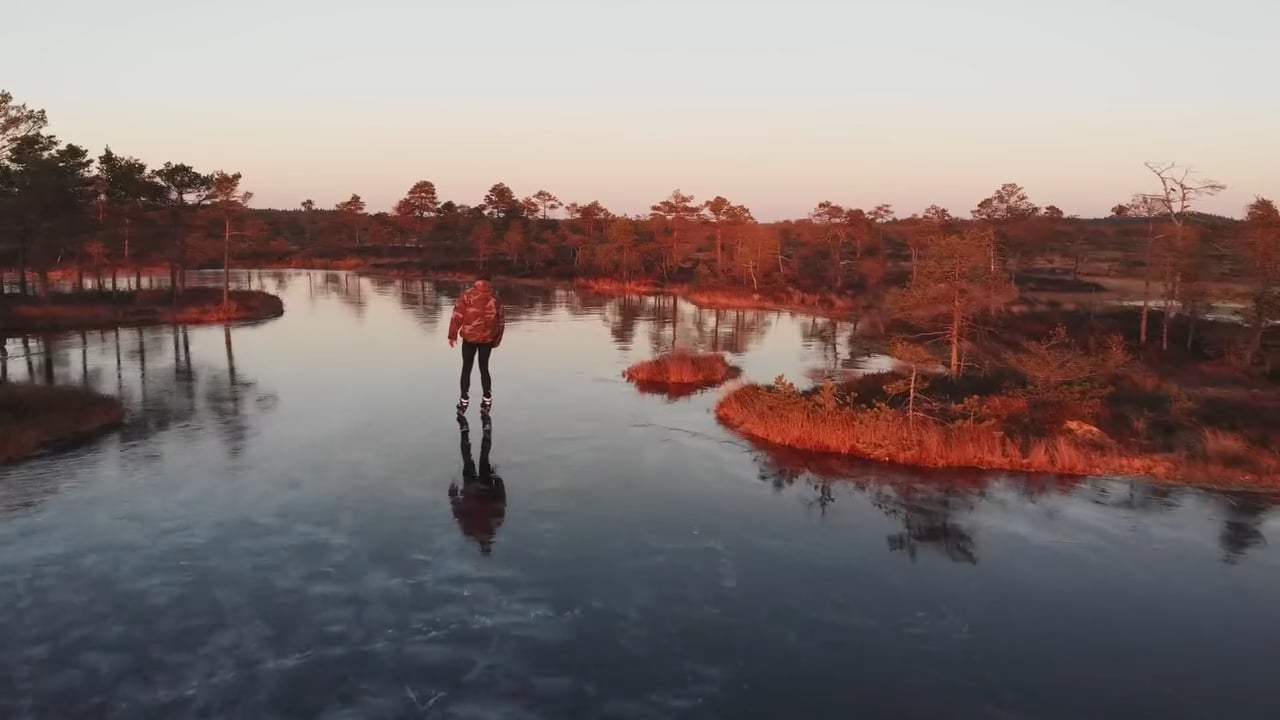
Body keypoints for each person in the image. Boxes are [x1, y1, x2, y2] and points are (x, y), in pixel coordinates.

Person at [450, 414, 506, 555]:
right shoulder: (475, 529)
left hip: (477, 488)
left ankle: (481, 425)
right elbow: (501, 500)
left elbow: (501, 500)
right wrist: (453, 496)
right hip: (477, 488)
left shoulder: (490, 524)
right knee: (470, 458)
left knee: (480, 456)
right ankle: (467, 426)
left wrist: (497, 480)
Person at [447, 275, 504, 413]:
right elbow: (501, 322)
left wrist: (452, 335)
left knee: (466, 368)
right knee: (484, 368)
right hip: (487, 340)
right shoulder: (495, 299)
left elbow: (457, 315)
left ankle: (463, 401)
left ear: (476, 282)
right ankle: (487, 400)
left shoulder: (467, 296)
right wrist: (496, 339)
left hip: (469, 338)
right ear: (489, 283)